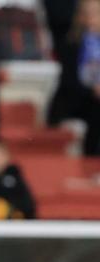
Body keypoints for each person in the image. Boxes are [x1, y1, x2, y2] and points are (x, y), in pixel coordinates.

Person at [48, 0, 100, 155]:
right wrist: (93, 87)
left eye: (95, 13)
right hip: (75, 101)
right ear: (79, 16)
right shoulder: (70, 42)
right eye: (86, 13)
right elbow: (70, 80)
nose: (91, 18)